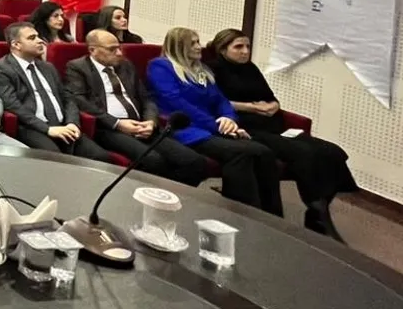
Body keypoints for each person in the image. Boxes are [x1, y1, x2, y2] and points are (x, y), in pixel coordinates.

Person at [208, 28, 356, 238]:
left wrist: (274, 106)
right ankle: (316, 207)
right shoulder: (214, 69)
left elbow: (270, 96)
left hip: (274, 124)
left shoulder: (250, 68)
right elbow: (215, 103)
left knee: (332, 152)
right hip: (246, 126)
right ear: (223, 50)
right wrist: (252, 107)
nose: (245, 52)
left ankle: (319, 208)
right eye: (238, 47)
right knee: (304, 153)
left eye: (247, 46)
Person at [146, 27, 284, 217]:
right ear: (178, 46)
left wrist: (229, 119)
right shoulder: (161, 67)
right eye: (192, 43)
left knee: (264, 152)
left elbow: (221, 101)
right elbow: (178, 103)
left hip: (212, 126)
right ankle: (242, 215)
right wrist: (218, 126)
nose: (199, 46)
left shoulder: (201, 70)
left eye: (198, 41)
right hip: (186, 128)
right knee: (241, 153)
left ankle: (271, 217)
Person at [65, 30, 208, 187]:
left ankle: (169, 194)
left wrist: (150, 121)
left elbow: (146, 98)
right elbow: (79, 101)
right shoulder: (78, 67)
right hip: (109, 128)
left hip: (141, 124)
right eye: (112, 49)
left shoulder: (125, 65)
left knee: (195, 162)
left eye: (119, 47)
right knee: (153, 160)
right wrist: (118, 123)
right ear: (93, 50)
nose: (119, 53)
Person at [0, 22, 110, 161]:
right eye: (32, 38)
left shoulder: (47, 67)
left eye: (38, 36)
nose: (40, 40)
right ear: (16, 45)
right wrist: (48, 129)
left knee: (100, 157)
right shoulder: (2, 68)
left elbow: (67, 98)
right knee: (55, 159)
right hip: (31, 127)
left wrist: (72, 122)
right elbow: (13, 106)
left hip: (63, 125)